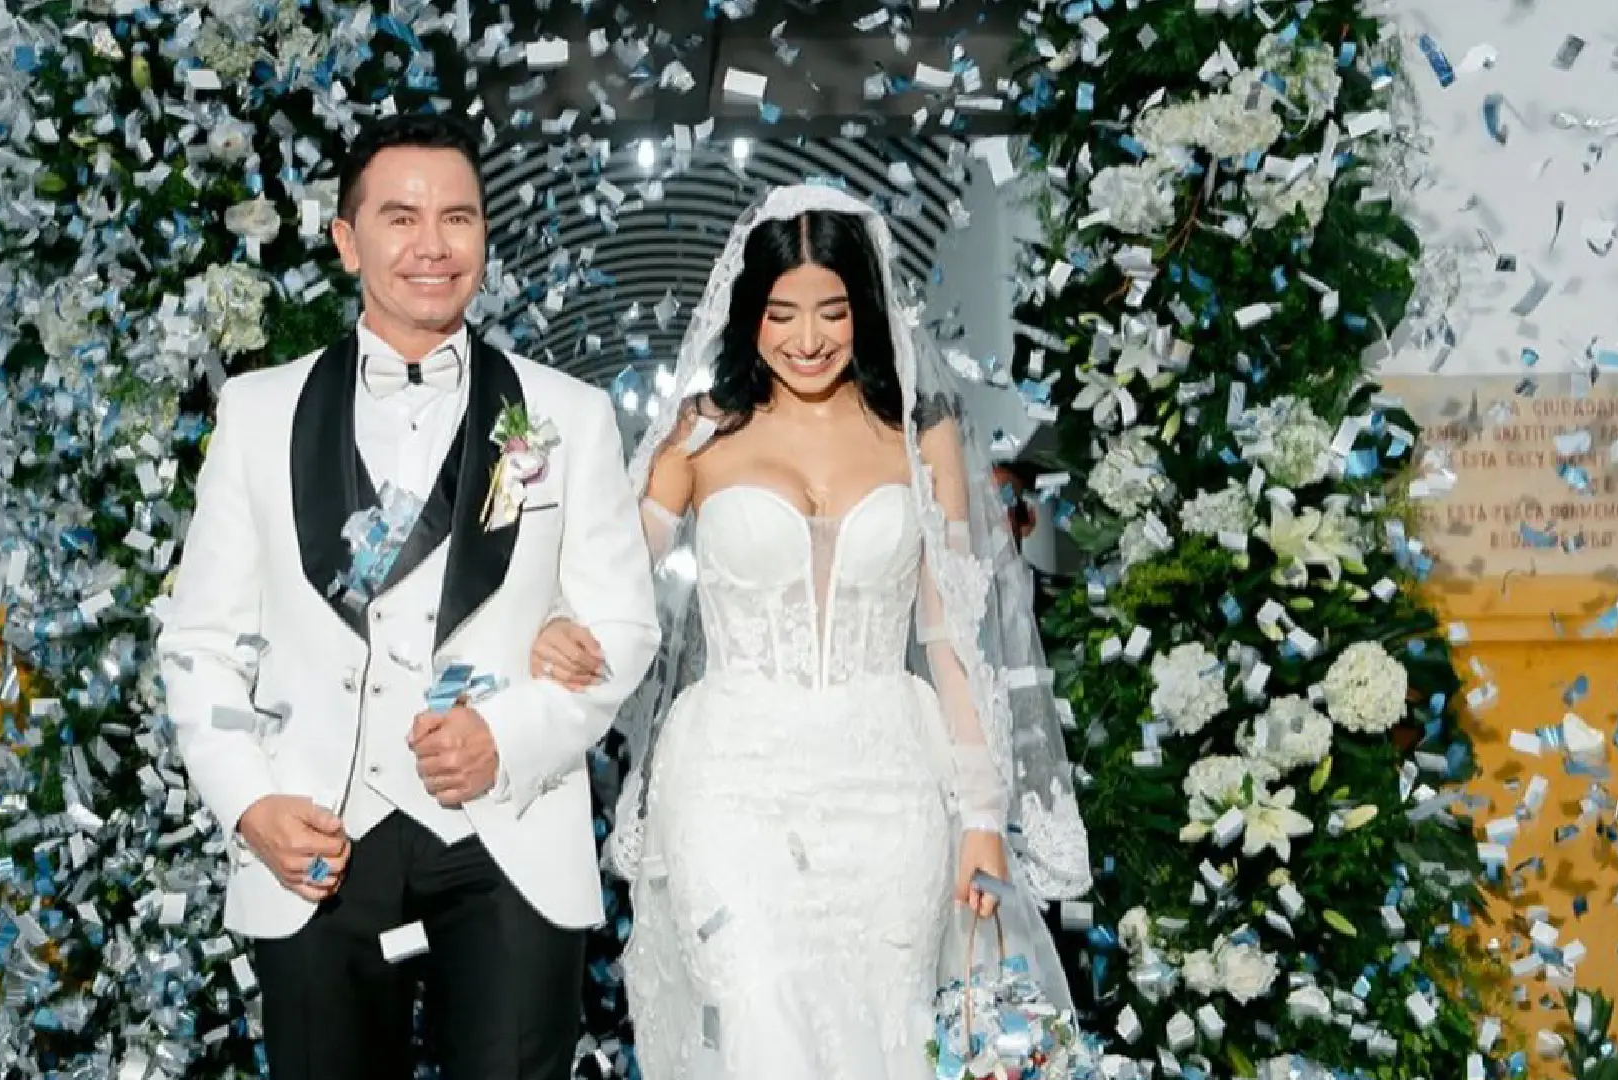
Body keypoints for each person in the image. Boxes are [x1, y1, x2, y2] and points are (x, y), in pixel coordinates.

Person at [530, 184, 1093, 1079]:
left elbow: (952, 639)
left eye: (831, 310)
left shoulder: (921, 438)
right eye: (781, 312)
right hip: (731, 785)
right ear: (747, 313)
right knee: (756, 1012)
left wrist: (983, 817)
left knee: (890, 1028)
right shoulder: (701, 437)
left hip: (891, 787)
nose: (807, 338)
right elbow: (615, 584)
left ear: (864, 309)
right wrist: (558, 628)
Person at [154, 113, 661, 1080]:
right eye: (401, 217)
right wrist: (250, 804)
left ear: (483, 238)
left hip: (508, 840)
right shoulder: (257, 411)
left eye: (457, 218)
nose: (433, 245)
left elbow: (625, 627)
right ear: (347, 240)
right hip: (315, 839)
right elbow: (201, 642)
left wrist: (507, 735)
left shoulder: (565, 415)